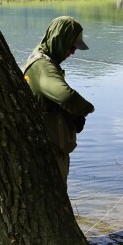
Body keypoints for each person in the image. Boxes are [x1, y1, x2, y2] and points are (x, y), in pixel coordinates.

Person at [21, 16, 95, 180]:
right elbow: (66, 97)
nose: (73, 52)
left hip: (43, 147)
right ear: (60, 41)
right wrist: (86, 109)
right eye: (72, 46)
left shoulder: (39, 57)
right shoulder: (43, 66)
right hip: (49, 152)